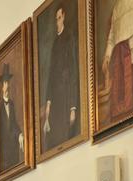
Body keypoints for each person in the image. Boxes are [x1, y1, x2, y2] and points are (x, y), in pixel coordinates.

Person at [102, 0, 133, 119]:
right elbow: (112, 37)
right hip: (118, 56)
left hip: (131, 53)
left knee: (132, 96)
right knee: (117, 96)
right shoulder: (116, 8)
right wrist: (107, 56)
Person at [42, 0, 80, 152]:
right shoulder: (55, 43)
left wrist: (72, 107)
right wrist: (48, 107)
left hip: (65, 97)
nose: (57, 22)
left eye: (59, 18)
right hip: (55, 101)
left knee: (66, 138)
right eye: (55, 19)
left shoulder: (69, 37)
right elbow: (50, 76)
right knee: (54, 141)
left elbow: (73, 73)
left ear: (63, 17)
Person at [0, 63, 24, 170]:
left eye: (8, 82)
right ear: (2, 86)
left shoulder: (12, 104)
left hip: (12, 148)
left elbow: (14, 124)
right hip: (3, 152)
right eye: (5, 82)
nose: (7, 85)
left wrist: (20, 134)